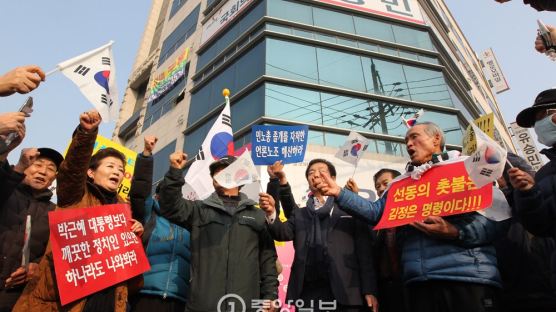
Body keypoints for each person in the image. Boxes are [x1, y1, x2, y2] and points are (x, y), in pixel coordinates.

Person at [316, 122, 504, 312]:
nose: (409, 144)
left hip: (468, 277)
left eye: (415, 137)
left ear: (436, 138)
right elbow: (377, 213)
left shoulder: (469, 168)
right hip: (418, 283)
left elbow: (495, 220)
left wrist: (456, 231)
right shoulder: (402, 184)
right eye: (406, 140)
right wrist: (339, 192)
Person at [13, 110, 144, 312]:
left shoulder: (124, 212)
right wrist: (86, 134)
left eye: (120, 169)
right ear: (91, 172)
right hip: (65, 302)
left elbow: (132, 281)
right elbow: (72, 170)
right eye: (110, 166)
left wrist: (134, 238)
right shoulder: (76, 195)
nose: (117, 172)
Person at [157, 152, 278, 312]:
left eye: (225, 170)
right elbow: (170, 207)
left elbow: (268, 260)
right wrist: (174, 172)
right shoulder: (199, 210)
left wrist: (270, 296)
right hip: (202, 306)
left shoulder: (258, 215)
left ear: (239, 175)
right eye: (216, 172)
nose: (219, 175)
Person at [259, 159, 378, 312]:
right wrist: (271, 213)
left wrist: (369, 289)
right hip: (308, 294)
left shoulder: (350, 209)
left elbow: (364, 253)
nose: (315, 175)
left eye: (321, 171)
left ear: (333, 179)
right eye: (310, 173)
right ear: (308, 181)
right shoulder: (300, 213)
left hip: (347, 291)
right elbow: (283, 233)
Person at [129, 135, 191, 312]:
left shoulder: (189, 225)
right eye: (165, 192)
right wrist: (146, 155)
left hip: (179, 300)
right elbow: (140, 191)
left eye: (175, 193)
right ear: (157, 196)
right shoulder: (150, 215)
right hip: (144, 295)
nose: (170, 197)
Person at [0, 145, 63, 312]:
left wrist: (36, 266)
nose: (43, 171)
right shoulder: (7, 189)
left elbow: (52, 254)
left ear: (54, 178)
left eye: (50, 169)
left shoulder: (55, 212)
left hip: (14, 295)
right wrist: (18, 169)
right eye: (38, 164)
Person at [494, 153, 556, 312]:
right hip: (508, 295)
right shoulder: (488, 209)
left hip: (541, 292)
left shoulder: (535, 208)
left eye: (496, 172)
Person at [510, 88, 556, 289]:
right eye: (537, 120)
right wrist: (528, 193)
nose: (540, 125)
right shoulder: (544, 174)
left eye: (544, 115)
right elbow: (541, 225)